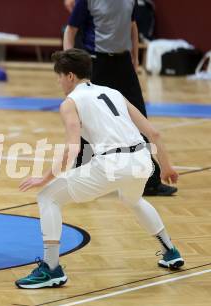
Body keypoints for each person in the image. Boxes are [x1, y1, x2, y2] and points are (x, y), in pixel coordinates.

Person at [15, 49, 184, 289]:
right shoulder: (113, 93)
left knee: (47, 196)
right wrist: (166, 166)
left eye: (60, 76)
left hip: (112, 164)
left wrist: (44, 178)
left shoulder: (70, 102)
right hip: (142, 162)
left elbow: (73, 149)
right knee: (133, 200)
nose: (59, 81)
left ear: (70, 76)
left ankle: (51, 269)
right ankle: (170, 250)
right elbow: (153, 132)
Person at [62, 0, 177, 196]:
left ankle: (149, 180)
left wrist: (135, 56)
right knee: (87, 122)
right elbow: (71, 31)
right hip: (96, 62)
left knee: (139, 119)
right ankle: (81, 175)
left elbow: (132, 26)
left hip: (123, 63)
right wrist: (68, 65)